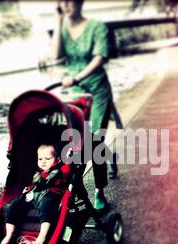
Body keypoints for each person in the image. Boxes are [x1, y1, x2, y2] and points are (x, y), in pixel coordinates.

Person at [50, 0, 123, 210]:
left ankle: (99, 190)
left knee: (96, 138)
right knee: (81, 139)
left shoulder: (97, 27)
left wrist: (77, 77)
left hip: (97, 89)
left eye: (69, 1)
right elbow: (55, 55)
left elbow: (100, 58)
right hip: (75, 93)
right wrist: (58, 19)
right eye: (61, 2)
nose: (65, 5)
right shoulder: (62, 27)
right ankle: (110, 156)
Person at [0, 144, 70, 244]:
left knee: (47, 207)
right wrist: (27, 189)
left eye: (48, 158)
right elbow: (34, 185)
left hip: (49, 196)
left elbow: (68, 169)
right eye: (40, 159)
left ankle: (42, 236)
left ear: (58, 160)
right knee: (15, 204)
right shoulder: (38, 174)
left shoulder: (61, 170)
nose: (43, 161)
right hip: (33, 196)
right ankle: (9, 234)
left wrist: (69, 159)